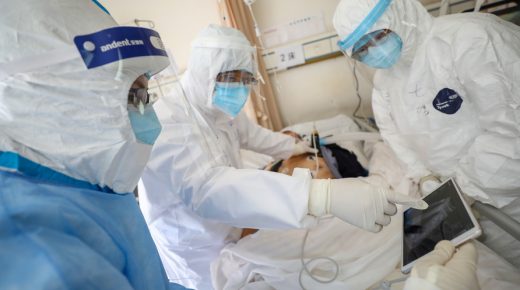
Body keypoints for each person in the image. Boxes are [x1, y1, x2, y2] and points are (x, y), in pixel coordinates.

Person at [138, 24, 425, 289]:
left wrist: (294, 148)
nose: (239, 86)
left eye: (245, 78)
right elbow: (208, 190)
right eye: (231, 77)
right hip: (194, 248)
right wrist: (320, 196)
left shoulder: (216, 109)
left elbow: (254, 137)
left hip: (236, 233)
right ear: (204, 72)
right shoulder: (170, 121)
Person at [0, 1, 187, 289]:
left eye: (145, 97)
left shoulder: (90, 186)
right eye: (133, 96)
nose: (151, 121)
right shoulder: (34, 242)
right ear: (45, 98)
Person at [334, 0, 520, 266]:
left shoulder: (469, 40)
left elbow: (512, 131)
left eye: (378, 35)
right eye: (362, 48)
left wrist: (465, 187)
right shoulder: (384, 83)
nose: (374, 49)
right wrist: (426, 179)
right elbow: (396, 139)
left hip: (509, 195)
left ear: (399, 13)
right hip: (470, 209)